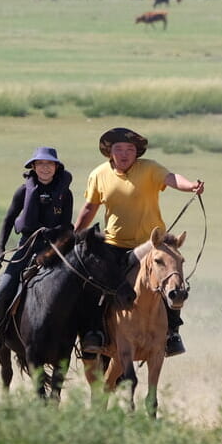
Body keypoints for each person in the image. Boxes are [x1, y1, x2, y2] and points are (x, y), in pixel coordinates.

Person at [73, 127, 204, 357]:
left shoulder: (150, 169)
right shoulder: (98, 174)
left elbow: (171, 178)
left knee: (169, 279)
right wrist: (74, 235)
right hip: (114, 244)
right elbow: (90, 207)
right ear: (109, 152)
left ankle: (172, 333)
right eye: (119, 149)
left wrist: (191, 185)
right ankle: (95, 332)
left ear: (137, 153)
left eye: (130, 149)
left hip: (150, 245)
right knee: (95, 283)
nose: (124, 154)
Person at [0, 147, 73, 352]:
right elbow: (8, 220)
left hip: (54, 248)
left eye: (49, 164)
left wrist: (54, 232)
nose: (45, 168)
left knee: (79, 285)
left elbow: (67, 224)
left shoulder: (65, 194)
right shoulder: (23, 191)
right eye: (40, 164)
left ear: (56, 167)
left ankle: (86, 335)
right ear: (33, 166)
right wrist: (0, 247)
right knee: (4, 289)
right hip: (26, 246)